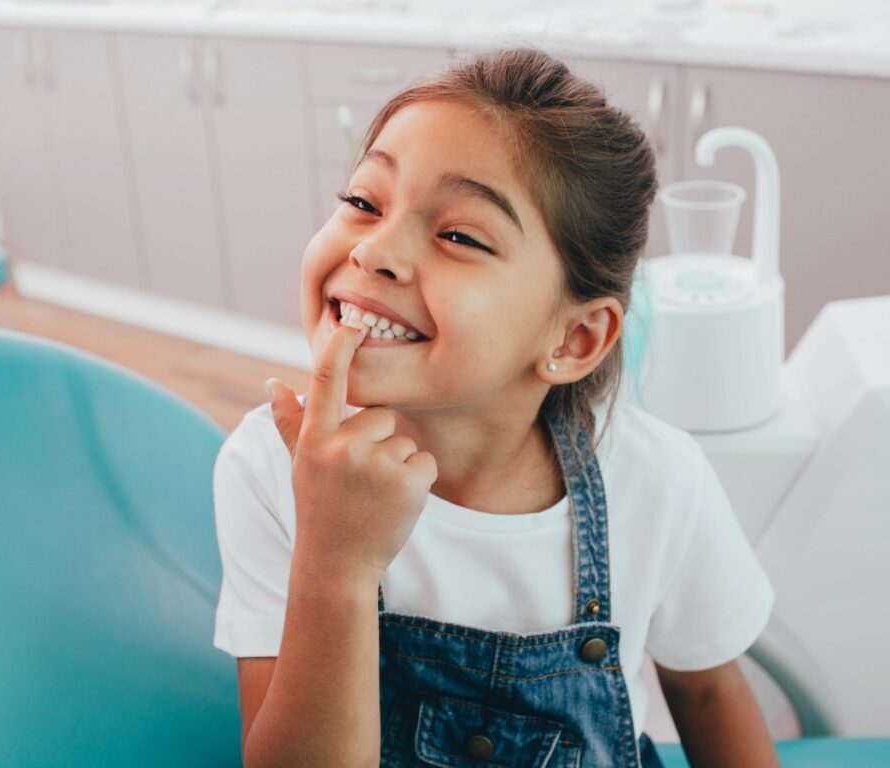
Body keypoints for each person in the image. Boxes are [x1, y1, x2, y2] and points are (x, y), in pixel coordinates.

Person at [212, 46, 778, 768]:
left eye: (459, 235)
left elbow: (707, 695)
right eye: (363, 201)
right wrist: (336, 562)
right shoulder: (268, 467)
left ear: (574, 338)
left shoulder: (661, 480)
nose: (376, 250)